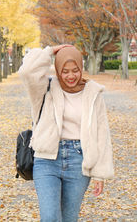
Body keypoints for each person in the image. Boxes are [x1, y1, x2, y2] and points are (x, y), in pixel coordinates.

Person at [18, 44, 114, 222]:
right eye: (65, 71)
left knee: (69, 218)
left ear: (81, 68)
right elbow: (27, 72)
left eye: (75, 70)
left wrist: (100, 173)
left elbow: (102, 133)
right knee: (49, 218)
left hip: (79, 161)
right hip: (47, 160)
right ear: (58, 70)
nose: (70, 76)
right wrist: (49, 51)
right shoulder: (43, 89)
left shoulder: (93, 93)